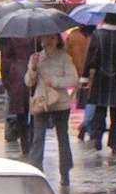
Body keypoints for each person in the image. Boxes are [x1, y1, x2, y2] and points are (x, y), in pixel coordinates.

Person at [26, 33, 78, 186]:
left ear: (57, 40)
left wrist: (55, 81)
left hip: (60, 103)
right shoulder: (35, 57)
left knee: (62, 137)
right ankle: (36, 172)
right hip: (41, 102)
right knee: (38, 137)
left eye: (52, 38)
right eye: (45, 38)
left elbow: (73, 79)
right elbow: (28, 82)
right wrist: (33, 68)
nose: (48, 41)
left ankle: (65, 171)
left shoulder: (64, 58)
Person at [83, 12, 116, 153]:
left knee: (100, 108)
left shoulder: (97, 34)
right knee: (115, 111)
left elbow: (91, 57)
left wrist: (85, 76)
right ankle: (114, 143)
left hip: (100, 76)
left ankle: (98, 138)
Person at [0, 35, 36, 152]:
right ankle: (32, 142)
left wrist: (6, 81)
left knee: (20, 112)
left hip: (16, 76)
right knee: (34, 110)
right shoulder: (35, 33)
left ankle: (24, 145)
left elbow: (3, 57)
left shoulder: (7, 35)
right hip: (33, 73)